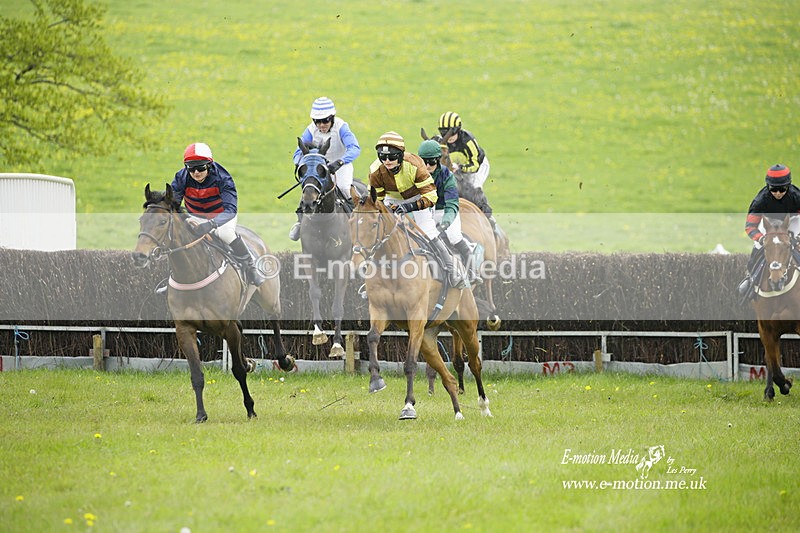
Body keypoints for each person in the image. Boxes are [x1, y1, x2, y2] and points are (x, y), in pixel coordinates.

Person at [368, 132, 468, 289]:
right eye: (383, 157)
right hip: (392, 198)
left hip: (417, 198)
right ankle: (370, 277)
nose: (387, 161)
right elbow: (377, 199)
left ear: (401, 155)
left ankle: (452, 271)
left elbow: (431, 197)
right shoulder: (375, 170)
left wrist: (408, 207)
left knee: (429, 231)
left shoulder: (415, 165)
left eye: (392, 157)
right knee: (378, 230)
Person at [171, 142, 264, 286]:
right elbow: (173, 204)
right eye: (191, 168)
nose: (196, 172)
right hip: (194, 217)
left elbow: (231, 210)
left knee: (226, 234)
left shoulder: (223, 178)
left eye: (201, 167)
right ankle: (172, 279)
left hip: (221, 217)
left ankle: (250, 267)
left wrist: (211, 224)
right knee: (176, 239)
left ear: (209, 165)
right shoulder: (181, 177)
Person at [289, 96, 361, 241]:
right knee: (309, 188)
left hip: (341, 166)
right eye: (317, 121)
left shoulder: (341, 127)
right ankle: (300, 221)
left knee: (345, 188)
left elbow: (354, 148)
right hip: (319, 169)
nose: (321, 125)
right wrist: (299, 162)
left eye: (325, 121)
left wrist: (340, 162)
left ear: (332, 118)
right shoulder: (310, 129)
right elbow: (297, 152)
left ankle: (356, 222)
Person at [418, 139, 479, 285]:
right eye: (424, 161)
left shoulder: (447, 176)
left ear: (438, 160)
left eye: (431, 162)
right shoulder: (416, 174)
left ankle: (473, 271)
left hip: (445, 210)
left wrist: (445, 222)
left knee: (453, 237)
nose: (427, 166)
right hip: (426, 211)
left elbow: (452, 204)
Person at [737, 163, 800, 300]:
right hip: (768, 224)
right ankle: (750, 279)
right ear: (768, 186)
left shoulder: (796, 197)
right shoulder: (760, 201)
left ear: (788, 186)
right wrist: (761, 239)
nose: (778, 193)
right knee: (758, 248)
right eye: (773, 189)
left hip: (792, 221)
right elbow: (750, 226)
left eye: (782, 189)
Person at [437, 111, 499, 234]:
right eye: (443, 133)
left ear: (458, 129)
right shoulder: (442, 142)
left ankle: (489, 219)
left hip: (478, 167)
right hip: (458, 168)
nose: (447, 137)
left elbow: (475, 165)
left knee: (474, 188)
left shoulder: (467, 141)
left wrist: (461, 168)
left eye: (451, 133)